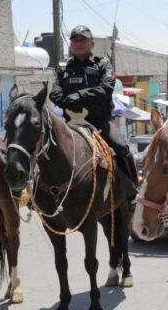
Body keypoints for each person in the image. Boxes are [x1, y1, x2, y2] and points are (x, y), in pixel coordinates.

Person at [49, 25, 138, 190]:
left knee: (120, 146)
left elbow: (106, 88)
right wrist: (69, 101)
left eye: (83, 40)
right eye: (75, 40)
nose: (79, 43)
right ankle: (38, 192)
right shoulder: (63, 69)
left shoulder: (103, 65)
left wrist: (79, 96)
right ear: (70, 45)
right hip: (70, 124)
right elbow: (54, 94)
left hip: (99, 122)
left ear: (92, 43)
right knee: (44, 148)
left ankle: (133, 188)